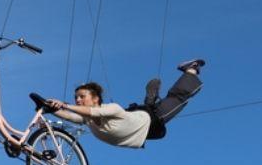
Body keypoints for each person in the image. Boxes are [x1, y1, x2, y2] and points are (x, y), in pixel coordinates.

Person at [45, 59, 205, 149]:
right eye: (75, 98)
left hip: (151, 120)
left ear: (96, 99)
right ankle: (150, 101)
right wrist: (47, 108)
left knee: (177, 99)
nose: (78, 100)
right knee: (153, 109)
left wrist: (64, 105)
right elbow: (71, 117)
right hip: (136, 123)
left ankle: (191, 70)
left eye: (81, 96)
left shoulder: (111, 109)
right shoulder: (89, 120)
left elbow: (92, 112)